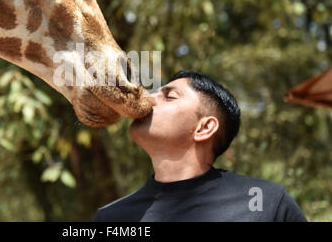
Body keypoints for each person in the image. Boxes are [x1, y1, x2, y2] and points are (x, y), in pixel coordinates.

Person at [93, 70, 307, 222]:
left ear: (204, 128)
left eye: (169, 96)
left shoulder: (267, 202)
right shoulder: (111, 217)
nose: (148, 99)